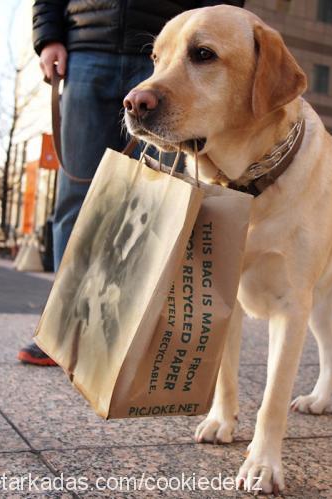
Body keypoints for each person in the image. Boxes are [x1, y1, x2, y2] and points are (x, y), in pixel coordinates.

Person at [18, 0, 244, 366]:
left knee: (168, 199)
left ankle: (144, 329)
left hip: (167, 45)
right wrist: (47, 37)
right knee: (77, 195)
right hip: (85, 46)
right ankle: (64, 327)